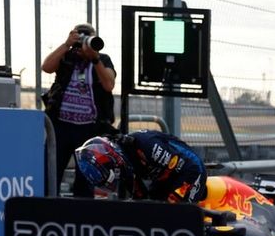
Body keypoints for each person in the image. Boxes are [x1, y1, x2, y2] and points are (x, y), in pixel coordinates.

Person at [41, 22, 116, 192]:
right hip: (61, 126)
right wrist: (67, 44)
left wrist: (94, 58)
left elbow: (109, 84)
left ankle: (81, 214)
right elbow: (46, 67)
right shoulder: (66, 56)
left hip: (90, 129)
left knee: (86, 180)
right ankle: (49, 210)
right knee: (50, 174)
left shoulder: (102, 60)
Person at [73, 130, 207, 203]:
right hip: (166, 177)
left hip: (191, 170)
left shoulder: (146, 145)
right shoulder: (125, 166)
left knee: (172, 213)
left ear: (112, 159)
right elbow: (140, 197)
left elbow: (176, 163)